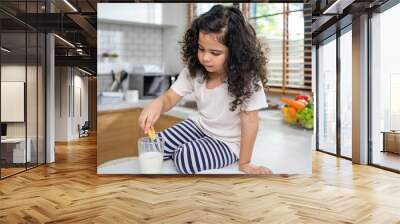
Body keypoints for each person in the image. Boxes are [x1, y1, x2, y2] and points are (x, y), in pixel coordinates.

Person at [138, 5, 271, 174]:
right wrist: (156, 104)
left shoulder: (248, 80)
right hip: (199, 126)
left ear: (236, 53)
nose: (205, 58)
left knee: (185, 158)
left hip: (227, 142)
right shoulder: (195, 72)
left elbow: (250, 121)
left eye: (215, 53)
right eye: (201, 49)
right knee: (151, 146)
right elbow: (170, 97)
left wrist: (245, 163)